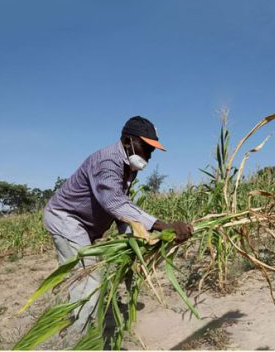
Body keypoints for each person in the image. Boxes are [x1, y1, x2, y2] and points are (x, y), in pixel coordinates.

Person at [43, 116, 194, 336]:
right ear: (127, 141)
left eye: (152, 150)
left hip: (85, 225)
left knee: (88, 278)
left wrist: (139, 238)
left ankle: (80, 324)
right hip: (66, 218)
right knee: (88, 282)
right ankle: (78, 339)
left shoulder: (128, 168)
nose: (149, 155)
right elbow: (115, 203)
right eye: (146, 148)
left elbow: (122, 214)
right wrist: (163, 226)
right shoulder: (107, 162)